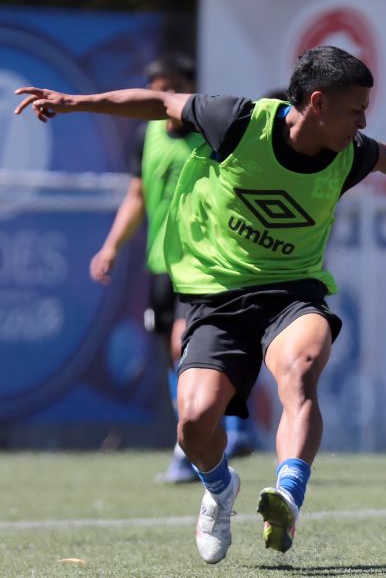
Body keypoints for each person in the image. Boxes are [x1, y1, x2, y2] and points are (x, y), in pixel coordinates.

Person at [16, 45, 386, 564]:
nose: (362, 122)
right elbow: (160, 104)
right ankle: (221, 488)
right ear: (317, 103)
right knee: (194, 422)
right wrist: (75, 102)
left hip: (293, 291)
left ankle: (287, 497)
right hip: (218, 296)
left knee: (301, 370)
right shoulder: (239, 122)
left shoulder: (351, 151)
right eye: (355, 110)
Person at [88, 54, 255, 485]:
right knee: (173, 354)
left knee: (186, 345)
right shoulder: (146, 136)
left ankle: (231, 430)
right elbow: (137, 195)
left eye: (173, 87)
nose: (165, 96)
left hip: (203, 263)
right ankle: (193, 447)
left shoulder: (211, 132)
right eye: (158, 88)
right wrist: (111, 246)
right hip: (161, 263)